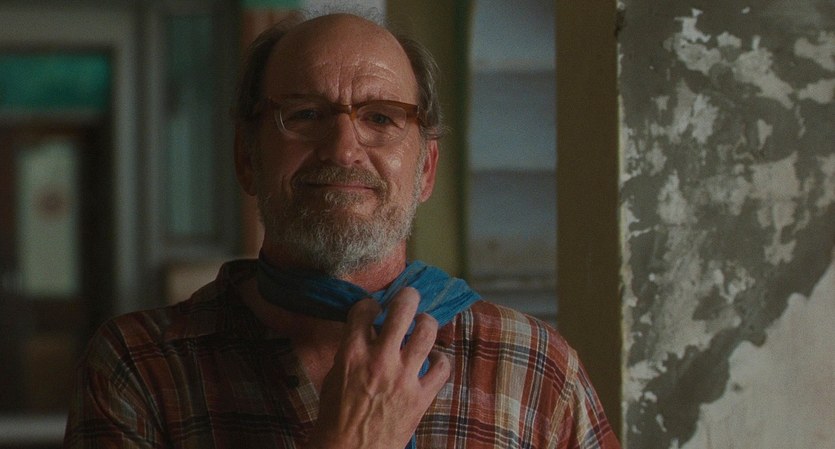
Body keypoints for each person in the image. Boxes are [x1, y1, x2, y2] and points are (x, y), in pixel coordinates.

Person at [64, 10, 621, 449]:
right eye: (304, 115)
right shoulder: (141, 367)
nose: (343, 149)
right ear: (246, 158)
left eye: (381, 117)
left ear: (426, 169)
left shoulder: (534, 368)